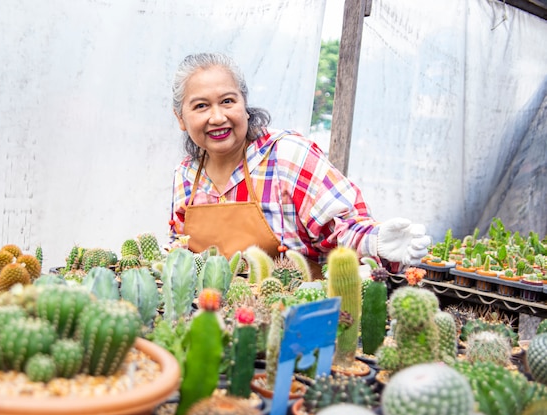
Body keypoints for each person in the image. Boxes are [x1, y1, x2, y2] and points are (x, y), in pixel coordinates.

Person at [168, 52, 430, 277]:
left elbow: (341, 228)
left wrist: (378, 241)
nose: (217, 117)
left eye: (228, 101)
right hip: (212, 317)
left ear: (244, 104)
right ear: (181, 118)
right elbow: (181, 248)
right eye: (201, 106)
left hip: (293, 314)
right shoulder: (187, 175)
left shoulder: (286, 155)